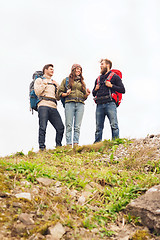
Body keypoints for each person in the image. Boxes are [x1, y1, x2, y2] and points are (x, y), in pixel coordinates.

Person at [92, 58, 125, 142]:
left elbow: (122, 89)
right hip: (99, 105)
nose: (100, 66)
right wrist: (95, 89)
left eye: (102, 64)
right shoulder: (98, 79)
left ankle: (115, 142)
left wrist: (111, 86)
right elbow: (93, 93)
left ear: (108, 65)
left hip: (110, 103)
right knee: (98, 127)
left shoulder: (115, 77)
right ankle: (97, 145)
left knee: (114, 125)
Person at [58, 64, 90, 146]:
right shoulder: (66, 80)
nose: (78, 71)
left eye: (80, 70)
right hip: (69, 103)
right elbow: (59, 93)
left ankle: (76, 144)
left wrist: (87, 94)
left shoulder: (82, 82)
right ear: (73, 70)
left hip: (80, 104)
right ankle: (68, 144)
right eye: (77, 69)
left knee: (77, 126)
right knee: (69, 125)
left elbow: (84, 97)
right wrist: (66, 94)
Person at [34, 64, 64, 150]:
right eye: (51, 69)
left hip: (53, 106)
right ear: (45, 70)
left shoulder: (54, 82)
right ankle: (42, 147)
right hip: (43, 105)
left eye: (53, 69)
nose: (52, 71)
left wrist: (57, 86)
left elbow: (58, 98)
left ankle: (58, 146)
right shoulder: (39, 80)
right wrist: (44, 84)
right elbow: (37, 92)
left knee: (60, 127)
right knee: (43, 127)